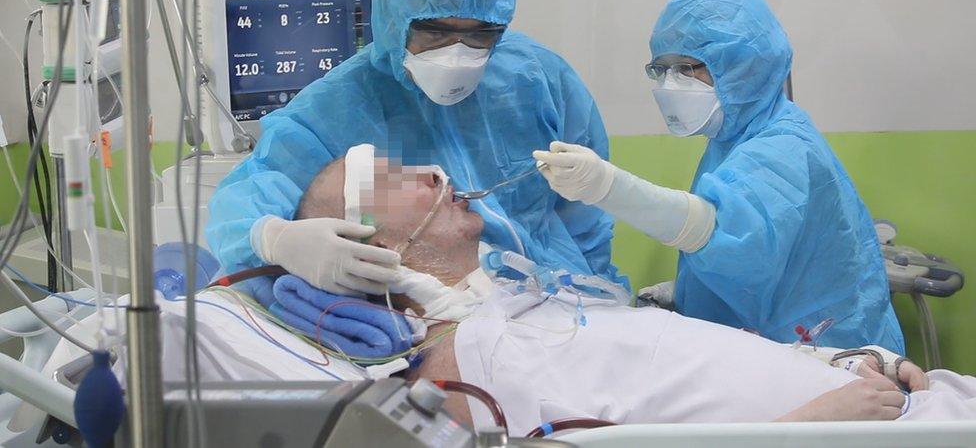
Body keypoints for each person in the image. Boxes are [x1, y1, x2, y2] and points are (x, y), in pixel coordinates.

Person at [283, 151, 974, 436]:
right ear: (375, 247)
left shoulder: (528, 304)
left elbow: (686, 362)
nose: (434, 171)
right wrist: (811, 429)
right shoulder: (471, 359)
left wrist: (846, 362)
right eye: (398, 176)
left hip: (906, 402)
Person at [205, 0, 625, 304]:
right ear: (393, 19)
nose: (458, 53)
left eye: (481, 35)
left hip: (565, 302)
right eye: (435, 32)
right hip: (442, 317)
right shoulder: (333, 110)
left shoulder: (537, 78)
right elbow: (248, 196)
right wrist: (274, 238)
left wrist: (599, 290)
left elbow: (585, 211)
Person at [533, 0, 904, 353]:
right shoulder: (731, 140)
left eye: (687, 68)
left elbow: (722, 234)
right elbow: (765, 258)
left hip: (830, 357)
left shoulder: (785, 147)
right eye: (660, 69)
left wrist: (605, 186)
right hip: (775, 351)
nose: (669, 85)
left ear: (745, 65)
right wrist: (688, 291)